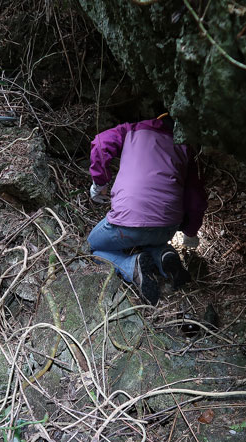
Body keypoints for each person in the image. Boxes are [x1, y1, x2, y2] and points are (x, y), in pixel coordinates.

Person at [87, 114, 207, 305]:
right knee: (148, 237)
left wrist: (100, 183)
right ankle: (162, 255)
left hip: (127, 224)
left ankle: (130, 266)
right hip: (166, 229)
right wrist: (190, 233)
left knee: (91, 248)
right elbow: (196, 199)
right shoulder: (186, 149)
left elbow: (101, 143)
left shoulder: (131, 130)